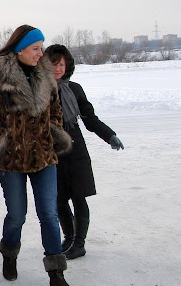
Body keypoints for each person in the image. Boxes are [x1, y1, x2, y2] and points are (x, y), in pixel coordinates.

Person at [0, 25, 74, 286]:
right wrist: (4, 142)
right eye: (35, 48)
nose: (40, 53)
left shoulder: (47, 77)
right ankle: (10, 254)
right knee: (17, 215)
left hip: (44, 156)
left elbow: (55, 112)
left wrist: (52, 135)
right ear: (20, 49)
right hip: (11, 161)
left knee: (48, 213)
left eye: (41, 48)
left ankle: (56, 272)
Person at [44, 44, 124, 259]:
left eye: (62, 64)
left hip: (76, 147)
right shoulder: (40, 89)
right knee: (59, 199)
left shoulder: (75, 89)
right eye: (54, 64)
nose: (58, 68)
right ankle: (68, 238)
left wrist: (109, 135)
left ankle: (79, 243)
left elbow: (90, 119)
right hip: (52, 149)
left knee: (79, 197)